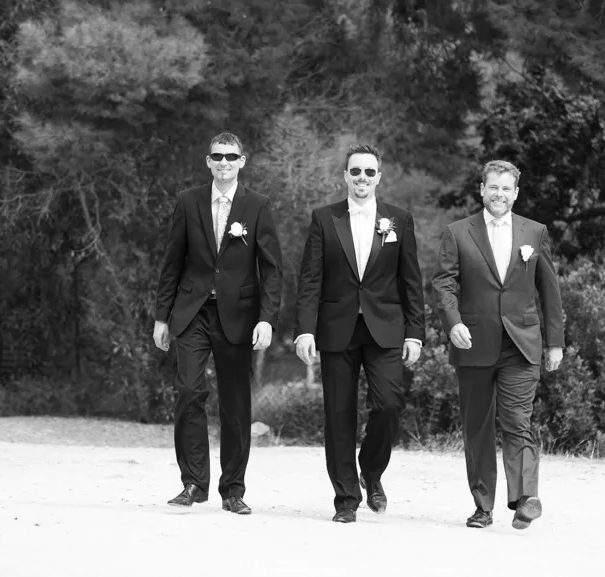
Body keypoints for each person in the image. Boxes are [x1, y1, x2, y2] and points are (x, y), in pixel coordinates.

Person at [294, 144, 426, 523]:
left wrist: (414, 332)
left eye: (369, 172)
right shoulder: (324, 218)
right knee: (338, 415)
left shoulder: (399, 220)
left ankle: (370, 469)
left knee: (388, 404)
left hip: (385, 328)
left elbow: (410, 280)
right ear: (346, 176)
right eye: (355, 172)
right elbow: (309, 280)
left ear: (379, 177)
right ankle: (346, 499)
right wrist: (305, 330)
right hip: (336, 330)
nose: (362, 178)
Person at [153, 132, 283, 514]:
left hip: (239, 316)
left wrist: (267, 319)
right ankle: (193, 483)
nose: (224, 162)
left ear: (242, 161)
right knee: (189, 391)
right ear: (208, 161)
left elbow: (272, 270)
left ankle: (233, 490)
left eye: (231, 156)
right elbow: (171, 263)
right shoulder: (188, 201)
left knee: (236, 403)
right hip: (192, 311)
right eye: (217, 156)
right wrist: (162, 317)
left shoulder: (258, 206)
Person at [431, 160, 564, 530]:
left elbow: (549, 290)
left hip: (521, 343)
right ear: (482, 190)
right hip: (473, 341)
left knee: (518, 420)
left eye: (506, 189)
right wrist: (453, 322)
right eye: (493, 187)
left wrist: (555, 343)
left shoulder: (534, 233)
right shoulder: (458, 233)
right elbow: (443, 284)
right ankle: (483, 505)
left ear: (516, 193)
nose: (499, 194)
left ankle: (525, 498)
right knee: (477, 427)